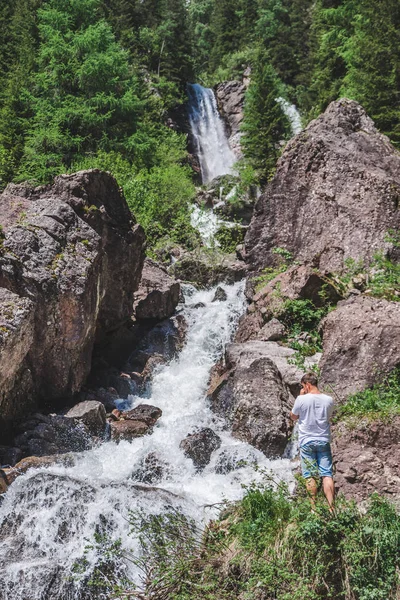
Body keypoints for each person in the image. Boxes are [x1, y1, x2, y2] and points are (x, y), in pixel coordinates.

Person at [290, 372, 335, 511]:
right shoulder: (329, 400)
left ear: (307, 385)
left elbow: (293, 416)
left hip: (306, 441)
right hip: (323, 440)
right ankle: (331, 508)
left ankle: (313, 509)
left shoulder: (301, 399)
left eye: (304, 386)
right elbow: (330, 416)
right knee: (327, 474)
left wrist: (301, 396)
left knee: (309, 475)